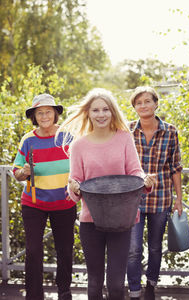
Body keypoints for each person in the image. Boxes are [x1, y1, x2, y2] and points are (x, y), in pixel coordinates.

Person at [57, 88, 156, 300]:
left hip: (122, 220)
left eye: (105, 109)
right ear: (88, 113)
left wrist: (145, 180)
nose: (101, 114)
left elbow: (134, 171)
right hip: (90, 222)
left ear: (112, 112)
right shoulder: (78, 145)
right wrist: (73, 187)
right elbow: (74, 182)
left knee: (116, 284)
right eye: (96, 110)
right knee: (93, 283)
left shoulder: (124, 138)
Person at [13, 94, 76, 300]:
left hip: (65, 202)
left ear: (56, 113)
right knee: (32, 251)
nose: (45, 116)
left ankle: (64, 292)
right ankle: (33, 295)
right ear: (34, 116)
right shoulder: (28, 139)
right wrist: (24, 172)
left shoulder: (68, 136)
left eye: (48, 111)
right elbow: (16, 172)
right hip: (34, 203)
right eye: (40, 112)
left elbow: (81, 163)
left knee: (65, 250)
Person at [127, 86, 183, 300]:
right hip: (133, 198)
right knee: (133, 248)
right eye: (138, 102)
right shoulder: (127, 130)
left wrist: (179, 199)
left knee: (155, 247)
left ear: (156, 103)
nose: (143, 105)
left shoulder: (170, 131)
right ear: (134, 107)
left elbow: (175, 167)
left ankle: (151, 284)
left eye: (147, 101)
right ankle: (134, 289)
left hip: (161, 199)